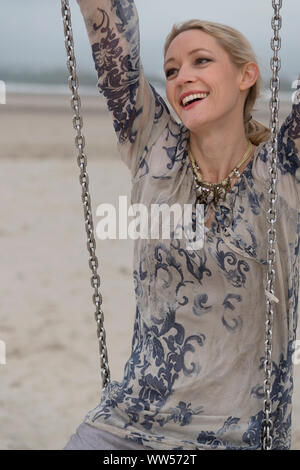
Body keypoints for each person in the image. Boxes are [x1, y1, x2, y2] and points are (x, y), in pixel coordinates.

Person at [63, 0, 300, 450]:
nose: (181, 77)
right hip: (124, 426)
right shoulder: (154, 148)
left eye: (201, 61)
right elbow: (109, 25)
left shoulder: (285, 169)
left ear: (246, 75)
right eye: (171, 71)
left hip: (241, 436)